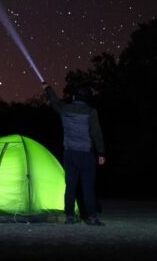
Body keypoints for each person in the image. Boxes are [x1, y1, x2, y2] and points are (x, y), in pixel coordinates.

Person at [42, 82, 106, 226]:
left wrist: (48, 88)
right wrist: (101, 152)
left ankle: (69, 217)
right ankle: (92, 218)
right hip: (86, 154)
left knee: (70, 186)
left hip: (69, 154)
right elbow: (96, 133)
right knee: (88, 187)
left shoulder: (65, 109)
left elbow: (54, 101)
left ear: (74, 96)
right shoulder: (91, 111)